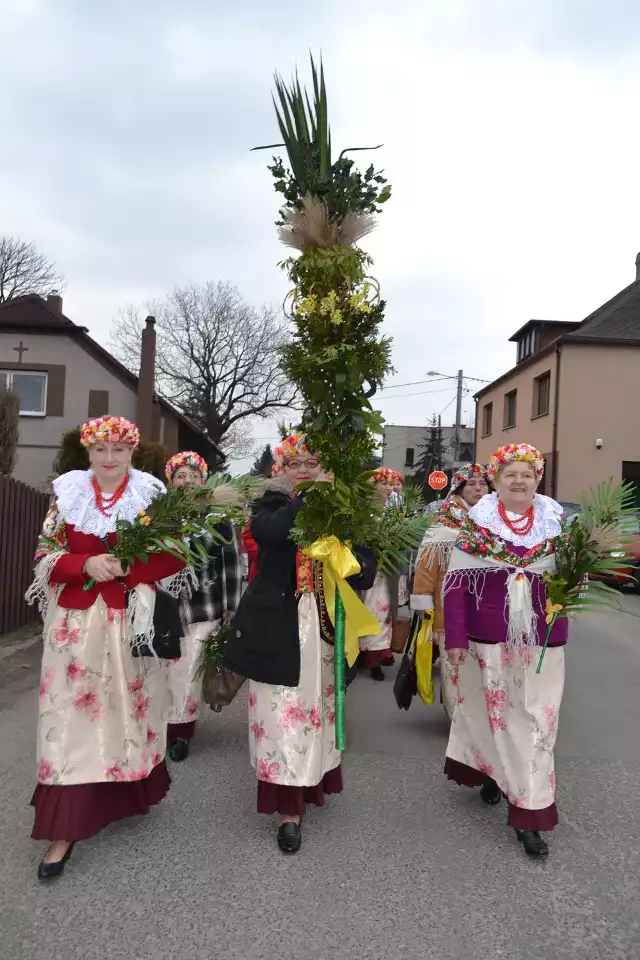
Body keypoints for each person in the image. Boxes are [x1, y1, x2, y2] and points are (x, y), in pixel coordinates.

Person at [27, 416, 186, 881]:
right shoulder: (67, 493)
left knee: (127, 712)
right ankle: (64, 826)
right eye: (101, 450)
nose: (110, 459)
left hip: (130, 623)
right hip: (75, 627)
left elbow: (176, 551)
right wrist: (83, 563)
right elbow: (44, 554)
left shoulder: (152, 495)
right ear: (89, 453)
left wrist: (126, 565)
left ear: (131, 453)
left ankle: (123, 794)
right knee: (67, 716)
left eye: (119, 450)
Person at [223, 434, 376, 854]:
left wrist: (350, 561)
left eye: (313, 462)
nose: (305, 469)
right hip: (278, 627)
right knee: (279, 715)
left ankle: (312, 781)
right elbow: (273, 534)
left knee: (318, 710)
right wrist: (311, 497)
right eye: (296, 463)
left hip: (324, 627)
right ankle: (287, 809)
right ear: (281, 470)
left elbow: (367, 566)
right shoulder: (270, 505)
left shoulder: (344, 510)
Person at [442, 444, 567, 858]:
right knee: (494, 715)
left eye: (527, 474)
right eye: (510, 474)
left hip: (543, 640)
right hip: (489, 640)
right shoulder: (478, 527)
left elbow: (573, 580)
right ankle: (496, 772)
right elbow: (457, 586)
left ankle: (529, 811)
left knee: (535, 723)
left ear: (537, 480)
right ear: (495, 481)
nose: (519, 481)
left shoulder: (556, 525)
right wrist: (456, 640)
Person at [164, 451, 242, 762]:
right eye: (180, 476)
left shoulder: (218, 517)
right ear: (170, 481)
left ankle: (180, 731)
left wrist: (231, 605)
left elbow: (233, 564)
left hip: (204, 605)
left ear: (203, 480)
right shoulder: (159, 517)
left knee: (188, 668)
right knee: (164, 669)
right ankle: (162, 721)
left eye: (192, 476)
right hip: (164, 605)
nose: (186, 481)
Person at [410, 464, 490, 718]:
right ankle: (458, 720)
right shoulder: (444, 522)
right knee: (454, 667)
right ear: (459, 489)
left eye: (483, 484)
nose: (479, 489)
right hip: (448, 610)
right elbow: (425, 568)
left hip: (485, 610)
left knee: (481, 669)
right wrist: (427, 613)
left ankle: (478, 719)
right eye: (472, 484)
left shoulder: (496, 520)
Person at [359, 467, 406, 679]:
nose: (389, 488)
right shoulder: (363, 510)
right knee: (372, 611)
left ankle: (379, 653)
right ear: (373, 485)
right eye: (384, 484)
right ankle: (369, 657)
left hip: (388, 567)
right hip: (371, 569)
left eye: (391, 484)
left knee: (386, 612)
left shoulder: (392, 508)